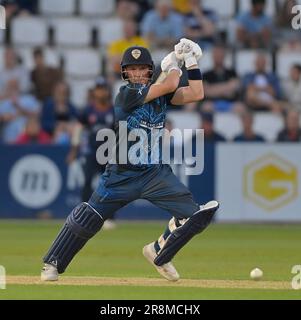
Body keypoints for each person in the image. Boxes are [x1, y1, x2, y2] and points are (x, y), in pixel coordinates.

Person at [41, 40, 219, 282]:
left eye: (141, 68)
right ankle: (52, 263)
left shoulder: (161, 97)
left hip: (155, 174)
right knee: (88, 218)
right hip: (121, 174)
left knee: (195, 217)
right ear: (125, 72)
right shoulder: (126, 95)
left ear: (149, 70)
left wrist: (190, 61)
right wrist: (174, 63)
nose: (136, 73)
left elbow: (197, 93)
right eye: (132, 69)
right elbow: (169, 82)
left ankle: (159, 251)